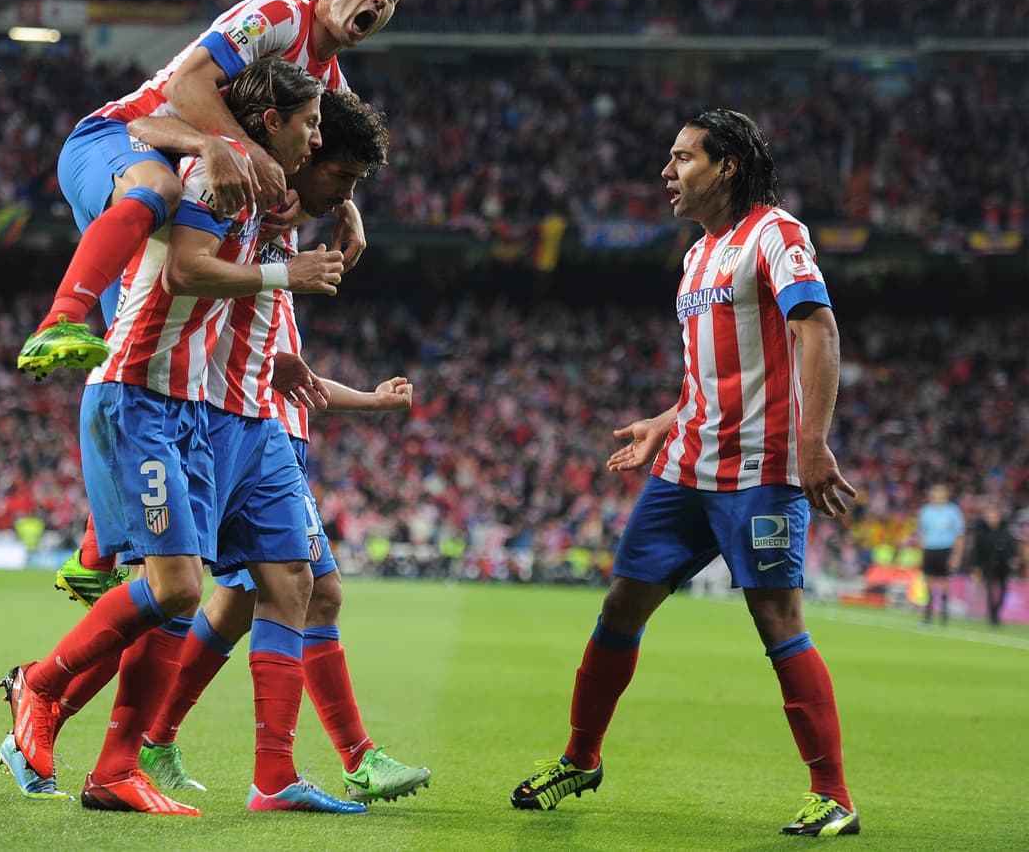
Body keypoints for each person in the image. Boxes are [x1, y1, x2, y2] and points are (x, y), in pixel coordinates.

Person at [0, 57, 356, 815]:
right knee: (178, 587)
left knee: (179, 597)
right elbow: (187, 269)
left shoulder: (265, 202)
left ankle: (114, 767)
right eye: (312, 124)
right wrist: (283, 275)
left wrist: (282, 353)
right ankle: (42, 684)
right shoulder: (214, 178)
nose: (317, 137)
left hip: (193, 408)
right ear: (271, 124)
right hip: (140, 394)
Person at [509, 109, 860, 838]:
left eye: (682, 158)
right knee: (620, 605)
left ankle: (833, 794)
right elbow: (711, 372)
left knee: (777, 621)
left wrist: (814, 442)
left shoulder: (776, 235)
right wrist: (664, 421)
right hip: (685, 466)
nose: (667, 172)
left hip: (762, 467)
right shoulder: (696, 257)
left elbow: (818, 330)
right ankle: (581, 756)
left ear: (726, 165)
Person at [131, 91, 431, 805]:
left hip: (266, 423)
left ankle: (166, 738)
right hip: (235, 421)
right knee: (270, 590)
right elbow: (147, 132)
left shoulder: (280, 224)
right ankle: (80, 705)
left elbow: (284, 354)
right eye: (342, 176)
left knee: (260, 593)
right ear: (300, 151)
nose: (345, 195)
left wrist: (362, 397)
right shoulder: (249, 204)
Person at [15, 0, 408, 379]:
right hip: (118, 137)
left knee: (126, 359)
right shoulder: (278, 17)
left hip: (153, 200)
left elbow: (323, 172)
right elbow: (185, 86)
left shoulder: (331, 89)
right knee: (159, 189)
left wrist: (347, 207)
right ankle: (57, 321)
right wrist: (241, 150)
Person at [916, 483, 965, 625]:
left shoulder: (953, 511)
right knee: (929, 582)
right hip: (930, 549)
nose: (938, 496)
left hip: (946, 548)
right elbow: (921, 534)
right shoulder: (925, 511)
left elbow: (959, 535)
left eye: (941, 493)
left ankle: (944, 613)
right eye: (936, 493)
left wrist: (956, 555)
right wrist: (921, 553)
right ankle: (928, 614)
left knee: (944, 581)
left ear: (946, 495)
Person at [968, 499, 1019, 626]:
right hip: (988, 565)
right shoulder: (981, 532)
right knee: (990, 590)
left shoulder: (1006, 530)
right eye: (989, 515)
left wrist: (1014, 559)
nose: (992, 518)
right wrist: (975, 567)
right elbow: (976, 551)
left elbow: (1012, 547)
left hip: (1003, 565)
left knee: (1003, 590)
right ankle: (993, 616)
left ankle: (996, 612)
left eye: (994, 515)